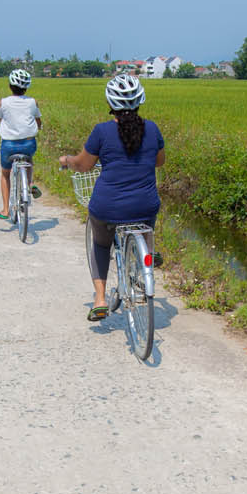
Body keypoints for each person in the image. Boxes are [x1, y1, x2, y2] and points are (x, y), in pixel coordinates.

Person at [58, 74, 163, 322]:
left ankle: (100, 299)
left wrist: (67, 161)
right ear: (140, 101)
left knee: (102, 244)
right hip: (145, 205)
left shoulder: (102, 131)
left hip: (108, 207)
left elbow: (83, 166)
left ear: (110, 102)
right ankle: (148, 252)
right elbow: (159, 162)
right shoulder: (152, 129)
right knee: (146, 219)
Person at [0, 69, 41, 220]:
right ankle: (29, 185)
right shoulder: (32, 102)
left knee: (5, 174)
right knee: (28, 159)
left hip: (9, 145)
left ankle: (5, 210)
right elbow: (38, 121)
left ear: (10, 86)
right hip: (29, 143)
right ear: (26, 87)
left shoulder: (3, 103)